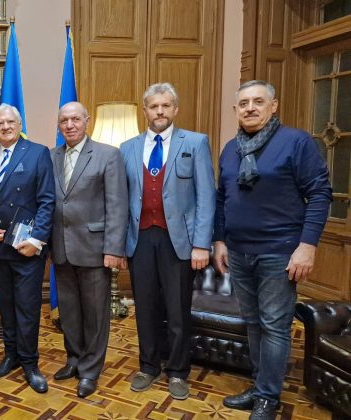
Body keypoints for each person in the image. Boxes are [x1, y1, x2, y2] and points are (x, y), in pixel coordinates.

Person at [214, 80, 332, 420]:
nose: (250, 107)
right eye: (244, 103)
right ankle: (260, 385)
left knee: (275, 325)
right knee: (253, 322)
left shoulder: (296, 143)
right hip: (238, 251)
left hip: (280, 252)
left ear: (273, 106)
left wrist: (307, 245)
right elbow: (223, 198)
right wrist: (220, 239)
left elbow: (320, 193)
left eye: (258, 101)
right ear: (235, 110)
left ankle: (268, 397)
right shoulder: (230, 148)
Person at [120, 83, 215, 400]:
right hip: (140, 238)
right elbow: (122, 200)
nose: (159, 111)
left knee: (177, 310)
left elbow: (206, 197)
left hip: (181, 242)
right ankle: (148, 366)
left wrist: (202, 244)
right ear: (144, 110)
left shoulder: (196, 143)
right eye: (153, 106)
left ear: (175, 109)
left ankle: (177, 371)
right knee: (144, 308)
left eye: (165, 106)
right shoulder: (128, 148)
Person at [0, 104, 55, 393]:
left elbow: (46, 201)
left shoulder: (37, 153)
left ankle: (31, 363)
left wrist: (36, 241)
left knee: (28, 309)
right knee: (6, 307)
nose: (5, 127)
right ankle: (11, 355)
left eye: (10, 122)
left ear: (19, 125)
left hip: (26, 249)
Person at [49, 102, 128, 398]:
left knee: (95, 314)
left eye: (75, 119)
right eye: (64, 120)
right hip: (61, 247)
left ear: (87, 121)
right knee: (69, 311)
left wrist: (114, 249)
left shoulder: (108, 155)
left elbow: (117, 205)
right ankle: (74, 359)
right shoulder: (51, 156)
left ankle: (91, 371)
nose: (69, 125)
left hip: (96, 249)